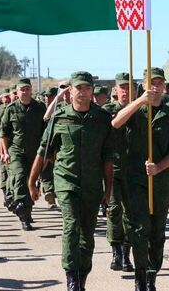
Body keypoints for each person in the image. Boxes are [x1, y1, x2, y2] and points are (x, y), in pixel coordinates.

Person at [28, 71, 113, 291]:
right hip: (66, 182)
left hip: (93, 184)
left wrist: (109, 189)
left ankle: (82, 276)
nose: (82, 92)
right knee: (71, 225)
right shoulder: (59, 117)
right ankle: (71, 278)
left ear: (92, 91)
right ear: (71, 90)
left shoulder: (102, 119)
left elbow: (108, 158)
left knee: (87, 233)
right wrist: (32, 181)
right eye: (78, 88)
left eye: (87, 88)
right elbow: (43, 152)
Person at [112, 68, 169, 291]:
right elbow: (116, 123)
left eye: (159, 83)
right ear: (143, 85)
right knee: (140, 228)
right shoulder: (135, 111)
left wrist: (159, 167)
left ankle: (152, 275)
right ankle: (140, 277)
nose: (155, 87)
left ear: (164, 87)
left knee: (157, 231)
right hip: (135, 179)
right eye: (151, 83)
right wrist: (140, 101)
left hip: (161, 180)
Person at [1, 78, 46, 230]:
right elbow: (4, 133)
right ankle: (22, 211)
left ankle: (26, 210)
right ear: (18, 92)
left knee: (30, 182)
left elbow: (46, 131)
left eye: (27, 89)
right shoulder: (11, 109)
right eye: (22, 90)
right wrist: (5, 152)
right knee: (19, 177)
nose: (25, 92)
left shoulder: (40, 108)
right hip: (17, 150)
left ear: (31, 90)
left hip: (35, 152)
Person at [102, 73, 135, 272]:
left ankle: (127, 255)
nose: (125, 91)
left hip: (134, 170)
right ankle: (116, 252)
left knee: (131, 214)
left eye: (129, 87)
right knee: (114, 211)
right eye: (122, 88)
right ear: (115, 90)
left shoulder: (141, 111)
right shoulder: (108, 111)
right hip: (113, 169)